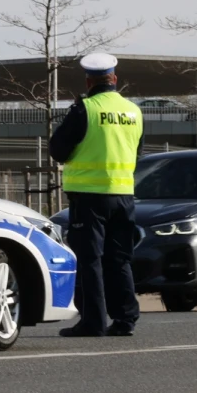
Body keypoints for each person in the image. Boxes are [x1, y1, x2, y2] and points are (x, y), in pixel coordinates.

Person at [49, 53, 144, 337]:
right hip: (124, 195)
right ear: (114, 79)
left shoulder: (85, 110)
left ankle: (93, 321)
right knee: (119, 258)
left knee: (90, 259)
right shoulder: (134, 112)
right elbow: (137, 152)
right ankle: (125, 319)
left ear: (89, 82)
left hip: (89, 196)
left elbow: (58, 150)